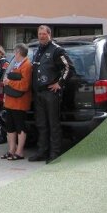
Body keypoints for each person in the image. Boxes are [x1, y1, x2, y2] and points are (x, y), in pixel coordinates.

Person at [29, 25, 73, 164]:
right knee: (41, 124)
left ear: (49, 35)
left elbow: (69, 68)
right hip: (38, 93)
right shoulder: (38, 50)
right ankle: (42, 151)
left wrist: (59, 83)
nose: (41, 36)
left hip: (50, 93)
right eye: (39, 34)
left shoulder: (57, 50)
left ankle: (55, 154)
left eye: (44, 34)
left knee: (53, 124)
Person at [1, 43, 32, 160]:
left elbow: (24, 85)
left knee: (20, 127)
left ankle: (19, 152)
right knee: (10, 127)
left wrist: (9, 82)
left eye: (15, 52)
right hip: (10, 101)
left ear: (18, 52)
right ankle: (11, 150)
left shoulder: (27, 65)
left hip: (19, 102)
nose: (14, 54)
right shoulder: (15, 64)